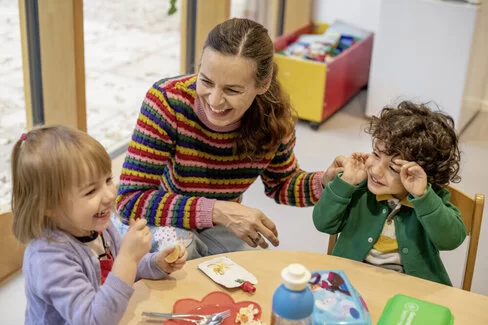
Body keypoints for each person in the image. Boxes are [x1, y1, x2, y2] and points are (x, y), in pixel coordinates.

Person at [114, 17, 344, 259]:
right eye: (205, 81)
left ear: (263, 84)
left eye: (232, 90)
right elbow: (130, 200)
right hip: (164, 217)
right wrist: (218, 211)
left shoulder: (275, 119)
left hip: (217, 225)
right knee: (182, 252)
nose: (214, 101)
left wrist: (325, 182)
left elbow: (282, 184)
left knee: (250, 268)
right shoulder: (167, 101)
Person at [11, 125, 187, 325]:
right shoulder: (48, 259)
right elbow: (92, 320)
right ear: (48, 206)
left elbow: (122, 270)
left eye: (108, 180)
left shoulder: (97, 225)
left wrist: (155, 263)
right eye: (90, 191)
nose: (111, 194)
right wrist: (128, 258)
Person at [313, 101, 466, 286]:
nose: (376, 171)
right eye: (376, 154)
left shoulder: (431, 198)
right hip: (351, 283)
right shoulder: (359, 189)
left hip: (413, 292)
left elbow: (450, 240)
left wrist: (423, 197)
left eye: (393, 168)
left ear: (422, 175)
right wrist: (345, 183)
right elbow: (322, 223)